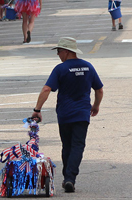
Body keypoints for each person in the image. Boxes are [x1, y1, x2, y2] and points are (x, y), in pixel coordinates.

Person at [31, 37, 103, 194]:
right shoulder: (88, 67)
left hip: (65, 114)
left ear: (67, 51)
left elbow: (46, 89)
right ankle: (70, 178)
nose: (58, 54)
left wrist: (37, 109)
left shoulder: (61, 69)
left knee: (67, 145)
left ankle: (67, 178)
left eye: (59, 51)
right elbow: (99, 89)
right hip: (83, 114)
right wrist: (96, 105)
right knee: (78, 145)